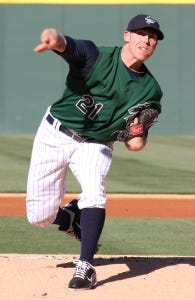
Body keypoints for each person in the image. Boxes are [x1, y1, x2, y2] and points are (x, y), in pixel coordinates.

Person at [26, 13, 164, 290]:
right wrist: (53, 40)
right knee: (39, 217)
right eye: (141, 33)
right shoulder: (95, 56)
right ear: (127, 35)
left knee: (94, 192)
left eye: (153, 37)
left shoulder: (150, 89)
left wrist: (137, 134)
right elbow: (66, 44)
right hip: (56, 132)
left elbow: (136, 144)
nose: (147, 40)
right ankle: (69, 217)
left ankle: (85, 266)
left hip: (96, 143)